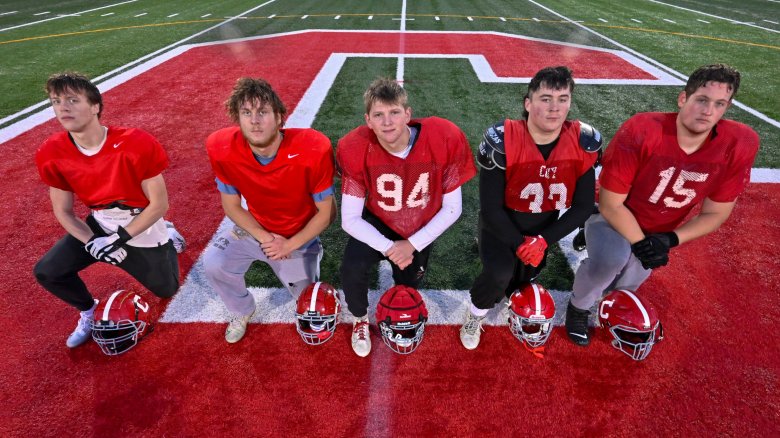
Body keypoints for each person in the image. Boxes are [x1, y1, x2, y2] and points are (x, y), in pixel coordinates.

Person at [566, 64, 759, 346]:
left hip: (660, 227)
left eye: (719, 104)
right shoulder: (644, 129)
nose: (708, 111)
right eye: (702, 100)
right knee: (610, 261)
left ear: (727, 108)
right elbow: (611, 204)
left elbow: (716, 212)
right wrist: (643, 244)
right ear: (683, 99)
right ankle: (577, 309)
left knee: (628, 283)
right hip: (614, 217)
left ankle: (612, 303)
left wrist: (669, 239)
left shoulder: (739, 142)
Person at [33, 72, 184, 349]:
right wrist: (93, 241)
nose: (63, 107)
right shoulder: (52, 151)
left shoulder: (135, 142)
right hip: (100, 223)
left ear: (95, 107)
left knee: (167, 289)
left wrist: (118, 239)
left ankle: (168, 234)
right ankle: (88, 311)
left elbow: (159, 204)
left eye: (71, 99)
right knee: (48, 271)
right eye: (56, 101)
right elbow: (64, 212)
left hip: (141, 222)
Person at [459, 66, 602, 350]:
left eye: (563, 98)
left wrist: (542, 241)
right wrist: (519, 242)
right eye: (546, 98)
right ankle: (474, 316)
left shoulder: (583, 141)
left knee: (523, 280)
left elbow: (584, 205)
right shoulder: (503, 140)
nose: (555, 107)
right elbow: (490, 207)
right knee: (499, 274)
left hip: (543, 227)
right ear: (528, 103)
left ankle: (518, 260)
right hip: (500, 226)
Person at [337, 78, 477, 357]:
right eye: (378, 114)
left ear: (408, 114)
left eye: (394, 112)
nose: (387, 122)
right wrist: (390, 247)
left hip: (420, 223)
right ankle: (360, 319)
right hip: (377, 219)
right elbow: (349, 219)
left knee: (409, 283)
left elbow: (452, 208)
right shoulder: (355, 147)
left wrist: (411, 244)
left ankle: (404, 315)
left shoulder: (443, 138)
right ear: (368, 120)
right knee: (351, 270)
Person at [203, 78, 336, 344]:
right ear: (237, 119)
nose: (255, 121)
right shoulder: (222, 147)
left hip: (297, 235)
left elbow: (328, 213)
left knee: (308, 303)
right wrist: (266, 238)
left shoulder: (311, 148)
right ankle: (242, 310)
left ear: (279, 118)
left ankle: (311, 252)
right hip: (257, 230)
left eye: (263, 112)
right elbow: (230, 205)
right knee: (214, 262)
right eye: (246, 113)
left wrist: (290, 244)